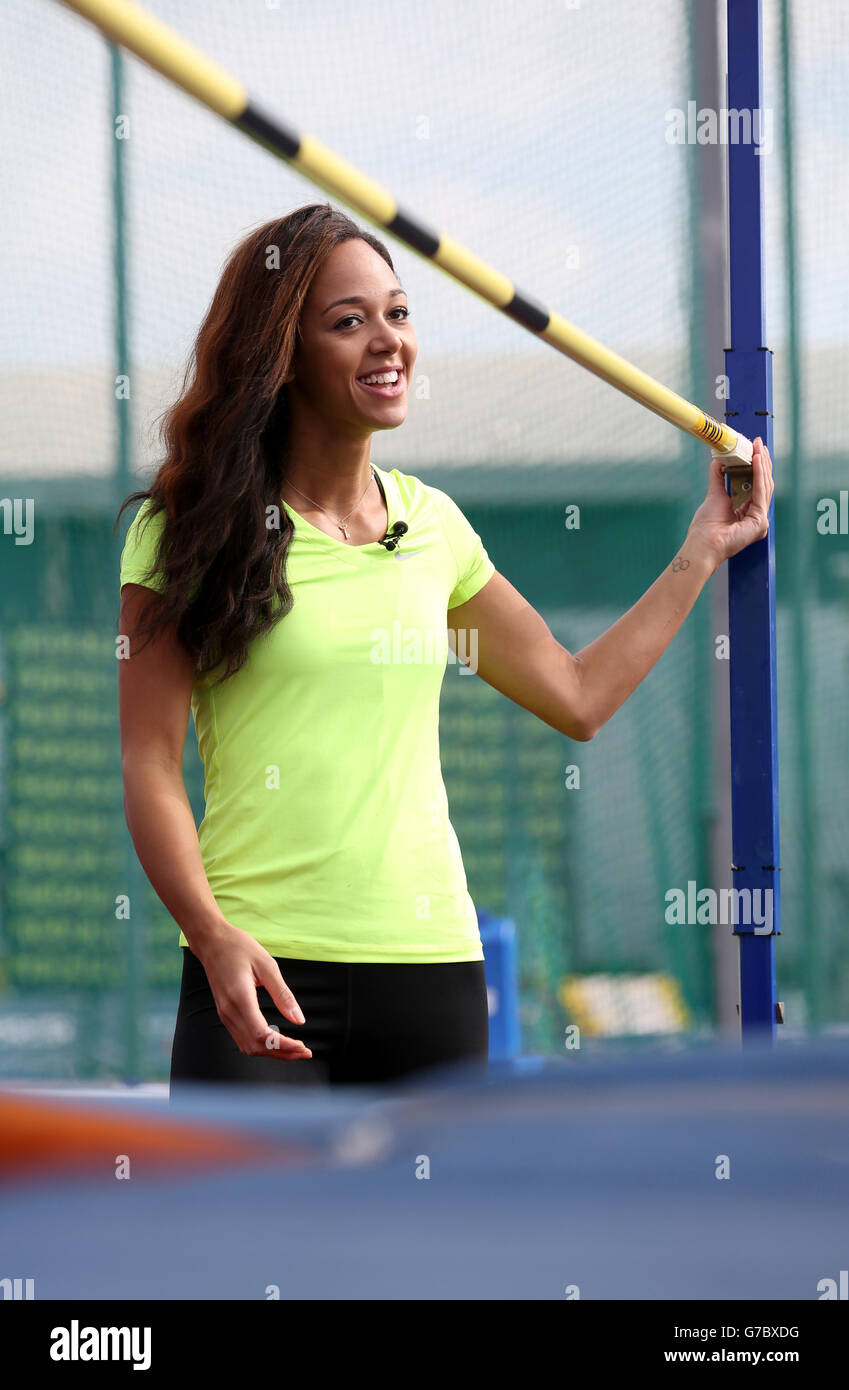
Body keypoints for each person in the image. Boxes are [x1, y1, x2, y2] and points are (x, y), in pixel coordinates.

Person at [117, 202, 774, 1091]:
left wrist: (698, 552)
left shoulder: (433, 528)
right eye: (348, 322)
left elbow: (575, 697)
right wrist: (210, 931)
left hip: (431, 973)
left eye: (397, 312)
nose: (387, 340)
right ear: (282, 354)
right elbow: (149, 763)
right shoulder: (184, 529)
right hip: (258, 969)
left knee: (429, 1235)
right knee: (249, 1235)